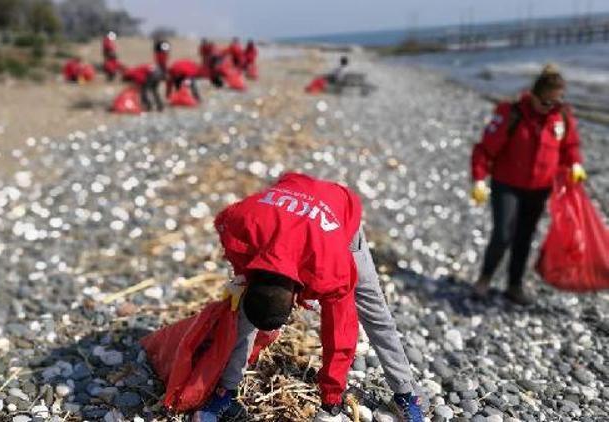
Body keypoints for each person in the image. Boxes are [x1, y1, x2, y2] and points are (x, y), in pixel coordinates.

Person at [191, 173, 424, 422]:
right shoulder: (239, 222)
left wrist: (332, 398)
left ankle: (406, 393)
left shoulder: (331, 270)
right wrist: (241, 275)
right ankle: (227, 388)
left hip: (338, 213)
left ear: (294, 300)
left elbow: (341, 333)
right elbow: (224, 223)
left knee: (373, 309)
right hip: (288, 199)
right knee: (244, 312)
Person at [470, 64, 587, 305]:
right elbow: (485, 149)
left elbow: (570, 146)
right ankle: (484, 279)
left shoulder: (561, 116)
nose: (550, 107)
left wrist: (575, 164)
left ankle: (514, 285)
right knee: (502, 234)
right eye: (546, 102)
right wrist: (479, 179)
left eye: (557, 102)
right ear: (533, 95)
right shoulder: (511, 114)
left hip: (539, 188)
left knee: (524, 237)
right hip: (507, 185)